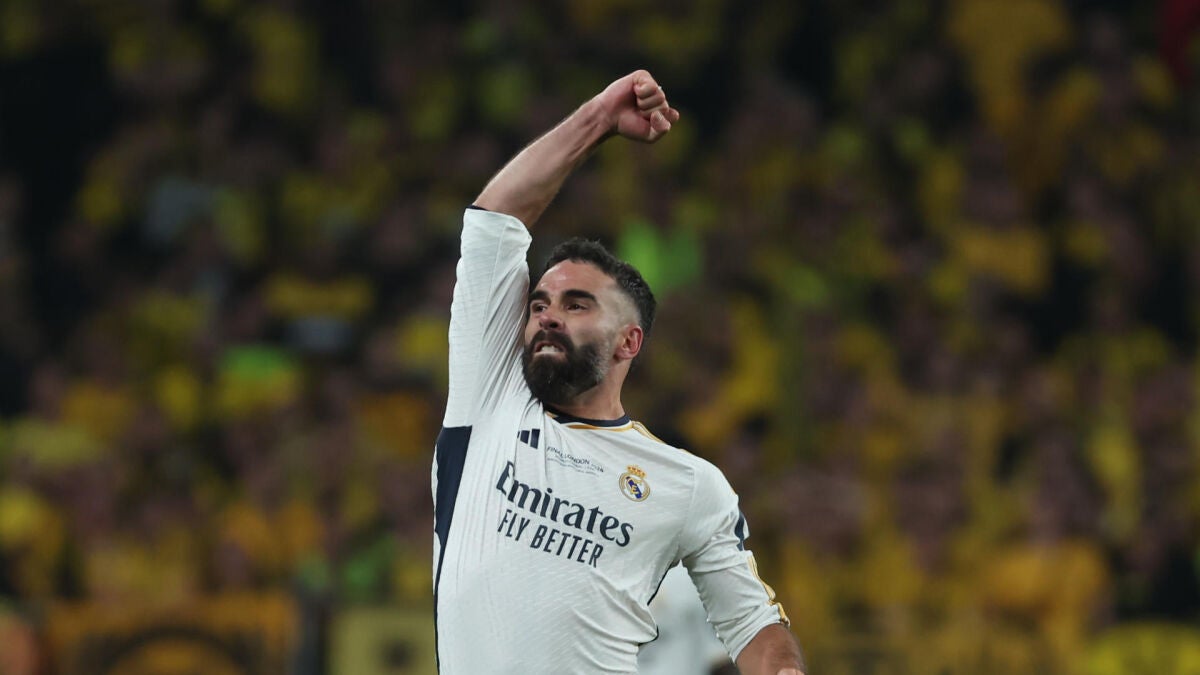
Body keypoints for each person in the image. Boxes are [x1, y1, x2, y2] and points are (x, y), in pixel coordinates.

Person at [432, 69, 805, 674]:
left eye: (577, 305)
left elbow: (753, 624)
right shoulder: (490, 398)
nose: (549, 315)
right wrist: (599, 118)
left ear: (630, 341)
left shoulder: (689, 485)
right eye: (539, 304)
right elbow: (494, 221)